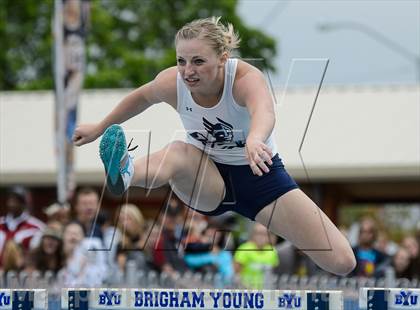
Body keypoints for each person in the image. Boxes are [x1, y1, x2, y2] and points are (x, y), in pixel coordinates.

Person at [73, 16, 355, 276]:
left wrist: (255, 138)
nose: (187, 71)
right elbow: (141, 97)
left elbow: (265, 111)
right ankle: (126, 172)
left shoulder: (245, 78)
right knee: (178, 150)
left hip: (260, 175)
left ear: (223, 58)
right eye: (181, 61)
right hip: (208, 177)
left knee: (342, 262)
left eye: (198, 61)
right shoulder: (173, 82)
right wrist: (99, 128)